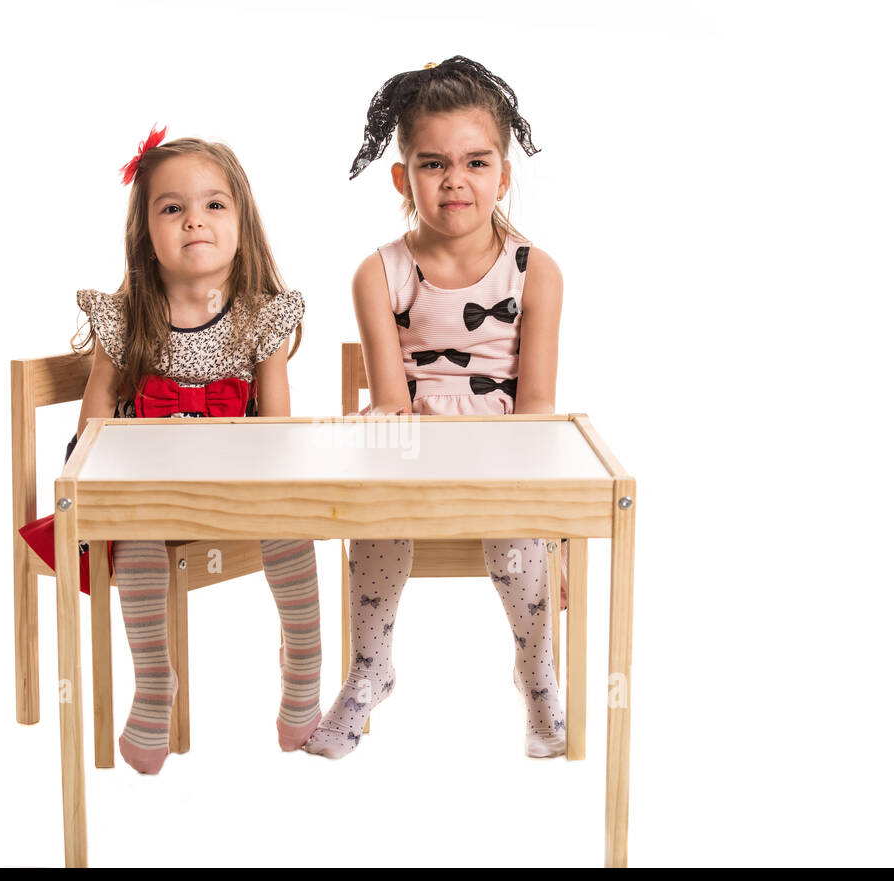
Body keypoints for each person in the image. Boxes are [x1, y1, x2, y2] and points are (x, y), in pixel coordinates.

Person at [33, 127, 323, 773]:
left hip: (237, 489)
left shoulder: (261, 317)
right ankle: (154, 680)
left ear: (242, 226)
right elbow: (98, 412)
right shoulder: (125, 316)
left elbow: (278, 428)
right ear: (147, 235)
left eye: (214, 204)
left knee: (291, 528)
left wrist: (283, 491)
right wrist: (85, 482)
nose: (195, 218)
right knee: (132, 544)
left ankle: (303, 661)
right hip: (149, 492)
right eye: (172, 207)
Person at [304, 56, 568, 760]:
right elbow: (391, 403)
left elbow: (537, 410)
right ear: (403, 177)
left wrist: (551, 521)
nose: (456, 180)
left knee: (517, 539)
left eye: (477, 162)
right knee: (377, 517)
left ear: (503, 175)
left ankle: (538, 677)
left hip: (504, 457)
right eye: (433, 164)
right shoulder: (378, 272)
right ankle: (369, 669)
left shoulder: (535, 272)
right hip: (415, 454)